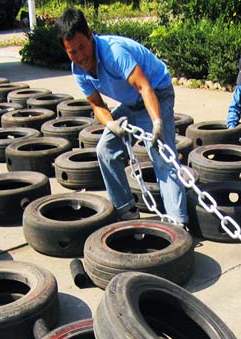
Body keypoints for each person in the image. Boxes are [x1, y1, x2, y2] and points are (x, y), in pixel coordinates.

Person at [56, 8, 188, 224]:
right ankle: (126, 210)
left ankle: (178, 221)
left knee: (161, 155)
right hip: (130, 104)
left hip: (157, 93)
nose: (80, 56)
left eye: (82, 47)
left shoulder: (113, 52)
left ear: (90, 35)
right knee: (105, 149)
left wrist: (156, 122)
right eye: (73, 52)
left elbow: (144, 87)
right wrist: (112, 124)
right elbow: (96, 104)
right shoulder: (78, 69)